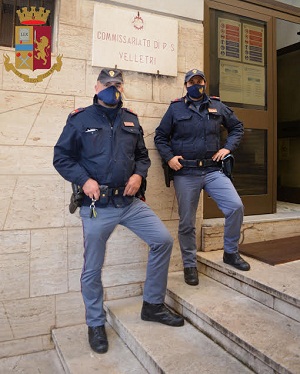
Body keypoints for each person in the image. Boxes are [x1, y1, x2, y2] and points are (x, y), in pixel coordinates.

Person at [53, 68, 184, 354]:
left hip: (129, 202)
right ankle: (96, 323)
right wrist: (85, 180)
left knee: (162, 240)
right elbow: (62, 158)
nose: (112, 88)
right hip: (97, 206)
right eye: (107, 83)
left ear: (122, 88)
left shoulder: (131, 119)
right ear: (97, 86)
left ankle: (152, 305)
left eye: (117, 84)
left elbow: (141, 156)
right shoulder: (80, 119)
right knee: (92, 267)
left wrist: (138, 176)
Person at [154, 68, 250, 287]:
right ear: (186, 85)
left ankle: (230, 252)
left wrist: (227, 148)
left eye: (199, 81)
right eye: (191, 82)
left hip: (213, 170)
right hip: (186, 172)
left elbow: (237, 127)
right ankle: (189, 265)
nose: (196, 84)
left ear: (205, 83)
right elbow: (160, 137)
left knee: (235, 207)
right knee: (187, 222)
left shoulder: (217, 106)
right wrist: (169, 158)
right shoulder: (175, 108)